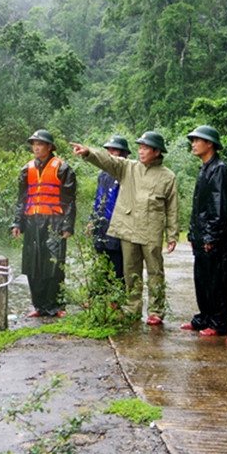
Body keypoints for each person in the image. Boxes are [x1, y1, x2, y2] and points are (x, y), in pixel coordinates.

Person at [71, 131, 179, 325]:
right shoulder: (128, 168)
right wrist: (89, 152)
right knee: (130, 270)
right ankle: (132, 307)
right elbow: (108, 161)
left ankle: (156, 311)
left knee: (155, 271)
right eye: (139, 147)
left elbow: (172, 209)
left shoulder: (167, 176)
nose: (141, 151)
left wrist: (172, 234)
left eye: (145, 148)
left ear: (156, 152)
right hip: (128, 227)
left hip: (151, 230)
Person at [11, 130, 77, 318]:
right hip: (32, 221)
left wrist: (67, 225)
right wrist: (17, 223)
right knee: (33, 264)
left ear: (49, 147)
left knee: (54, 265)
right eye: (34, 144)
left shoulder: (63, 169)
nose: (36, 147)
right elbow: (22, 200)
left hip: (54, 222)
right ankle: (39, 306)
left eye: (40, 144)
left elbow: (70, 201)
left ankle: (56, 306)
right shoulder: (26, 169)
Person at [182, 126, 227, 337]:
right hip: (202, 235)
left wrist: (211, 236)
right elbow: (199, 207)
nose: (193, 144)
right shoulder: (205, 167)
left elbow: (220, 207)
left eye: (197, 140)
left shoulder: (220, 169)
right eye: (193, 140)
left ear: (210, 143)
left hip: (214, 237)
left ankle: (219, 323)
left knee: (218, 281)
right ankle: (204, 317)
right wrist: (192, 233)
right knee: (202, 279)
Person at [89, 135, 131, 281]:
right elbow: (98, 198)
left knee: (117, 262)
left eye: (115, 150)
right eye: (109, 150)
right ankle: (99, 295)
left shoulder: (128, 173)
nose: (110, 153)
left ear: (124, 153)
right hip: (101, 224)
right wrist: (92, 220)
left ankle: (116, 298)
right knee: (100, 261)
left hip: (118, 225)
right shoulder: (103, 174)